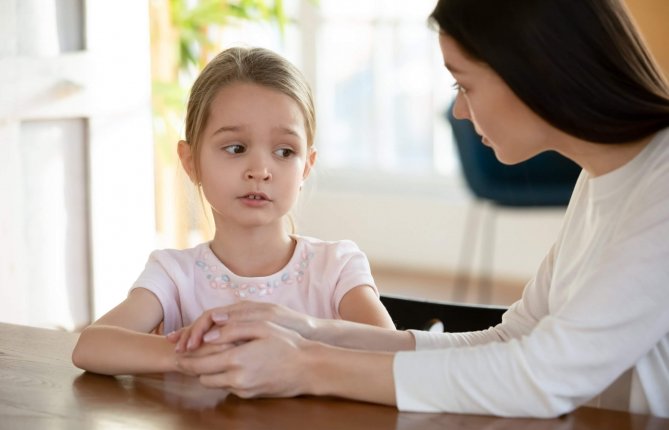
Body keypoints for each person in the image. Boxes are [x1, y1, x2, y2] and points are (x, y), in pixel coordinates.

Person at [170, 0, 669, 419]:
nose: (459, 110)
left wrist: (307, 364)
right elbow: (515, 336)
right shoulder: (603, 178)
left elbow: (540, 375)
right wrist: (311, 330)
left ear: (533, 71)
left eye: (463, 84)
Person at [71, 47, 395, 376]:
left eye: (284, 151)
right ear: (190, 161)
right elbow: (91, 346)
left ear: (306, 167)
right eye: (236, 148)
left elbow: (394, 353)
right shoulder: (174, 275)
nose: (260, 170)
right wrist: (191, 356)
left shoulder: (337, 268)